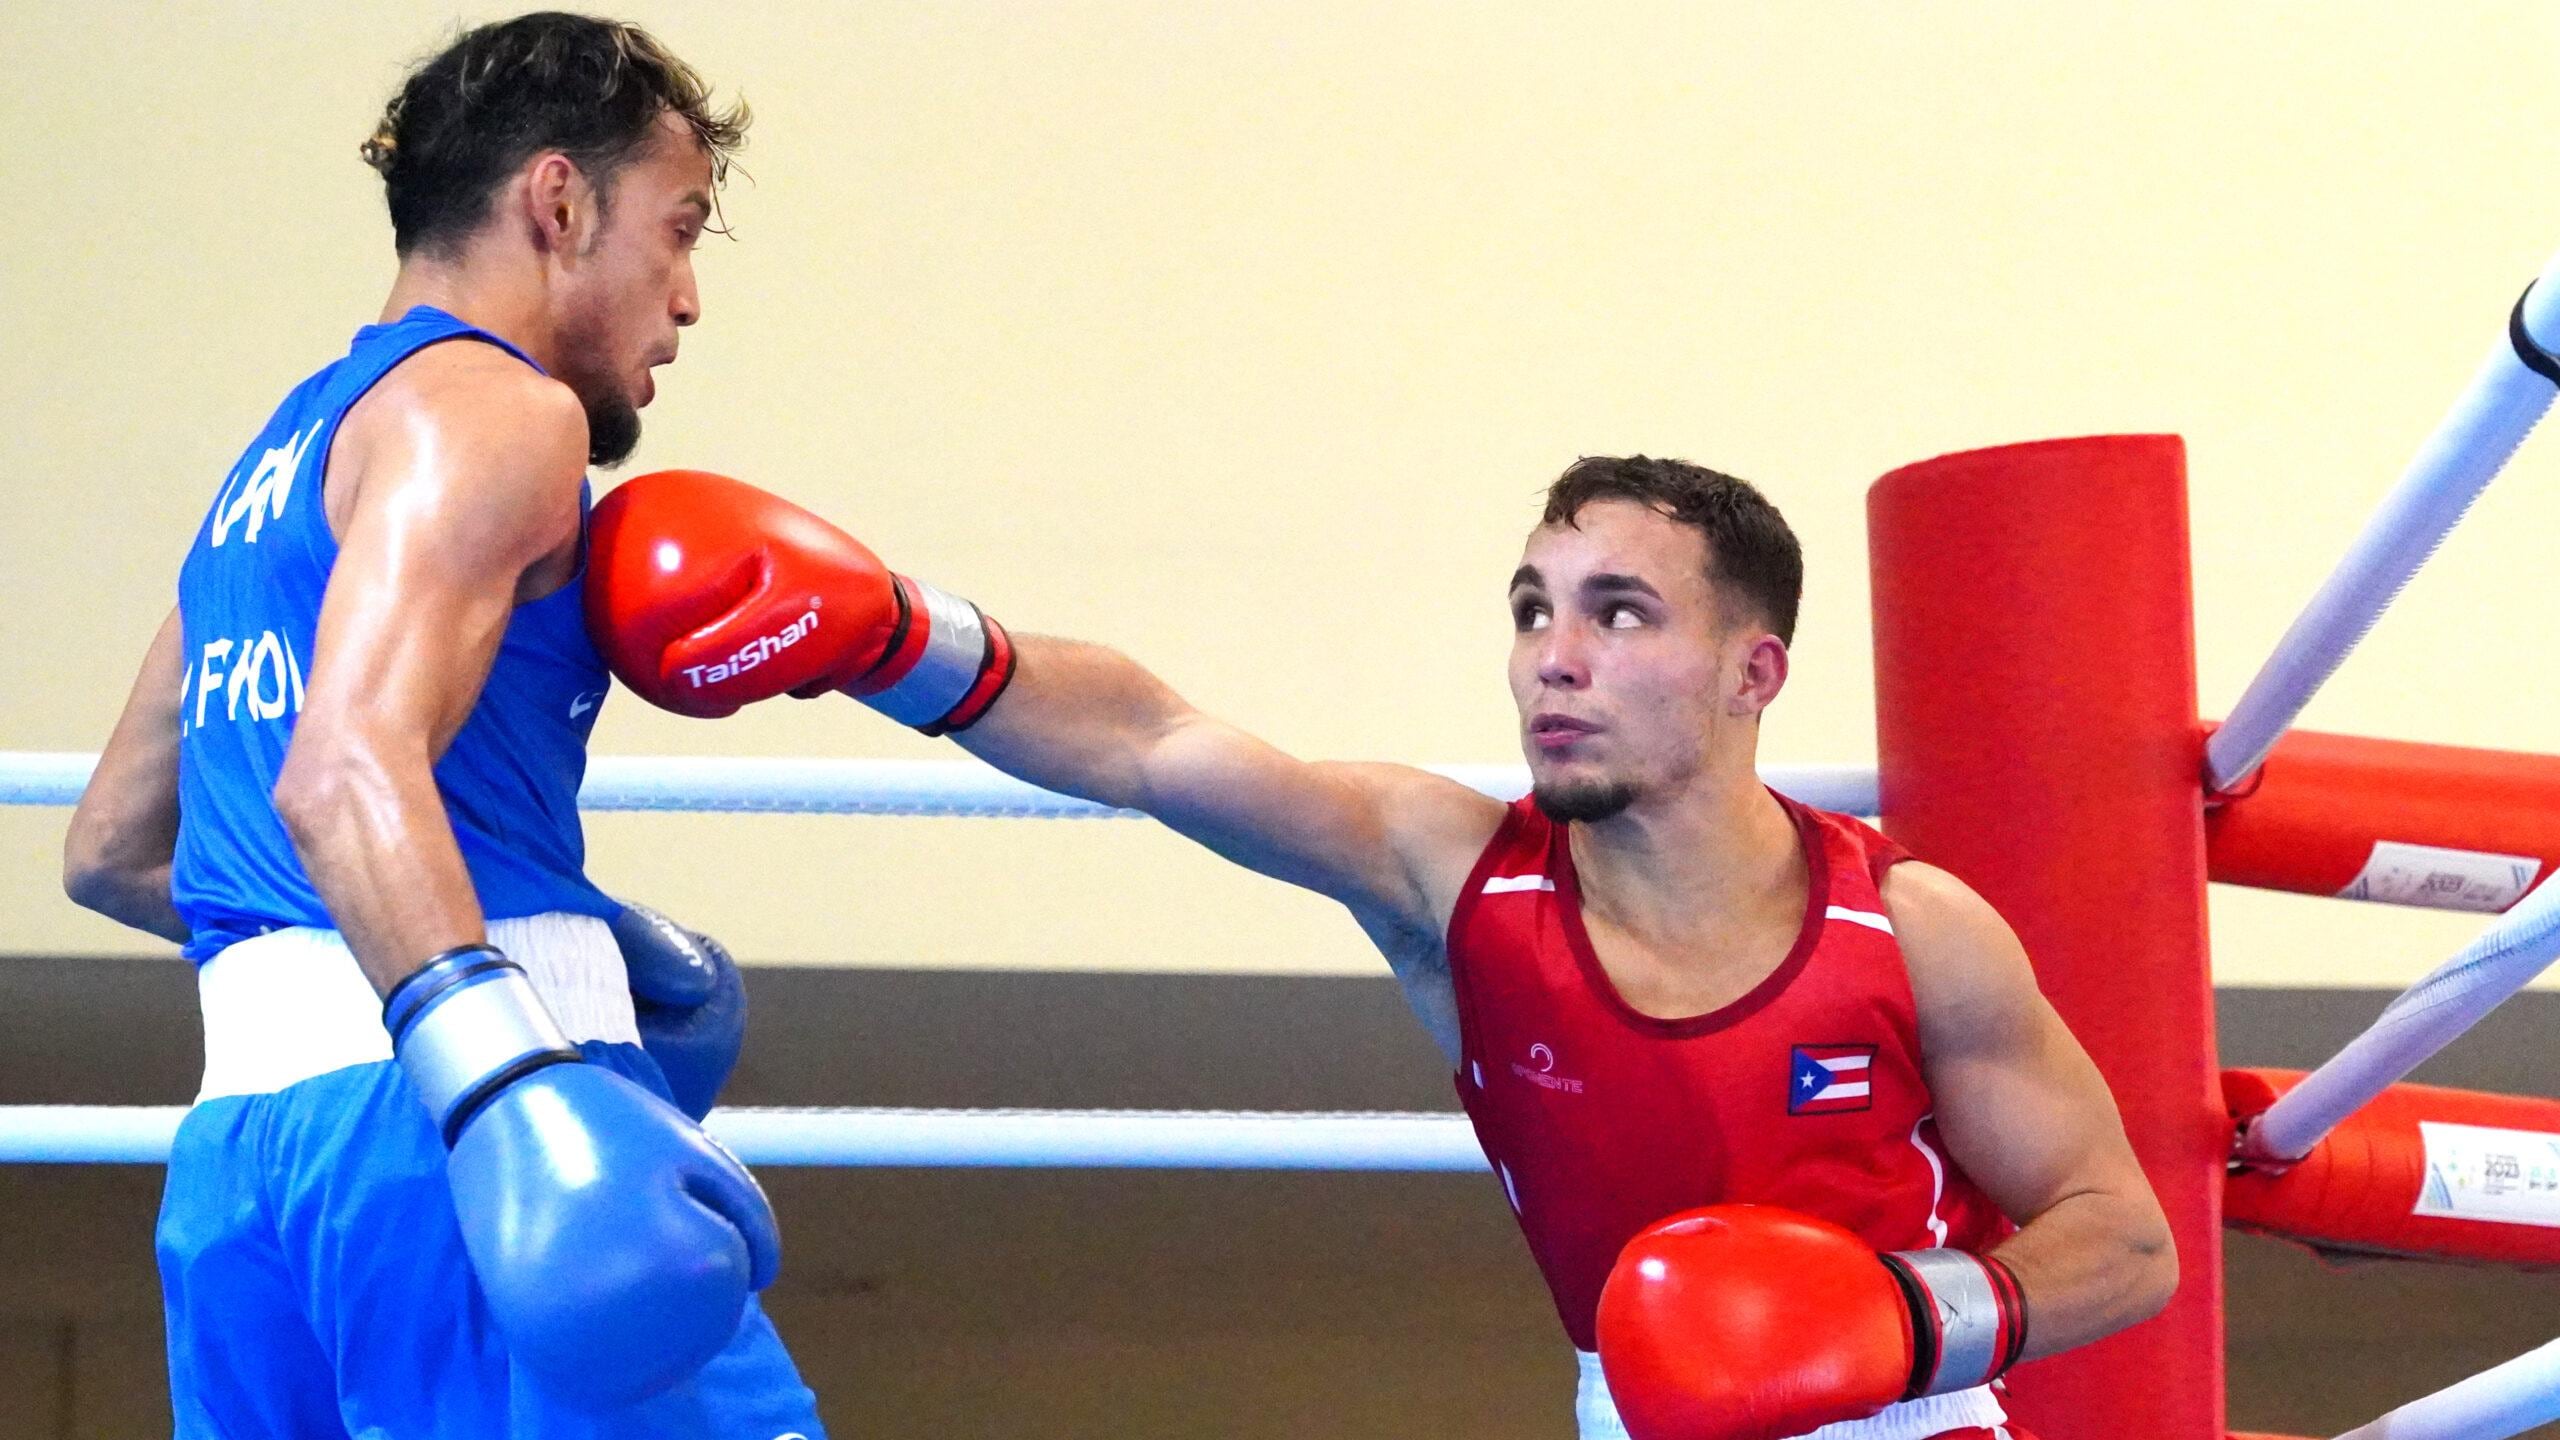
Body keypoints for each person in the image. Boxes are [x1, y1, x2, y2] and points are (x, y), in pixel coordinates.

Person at [588, 455, 2179, 1440]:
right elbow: (1154, 747)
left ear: (1754, 668)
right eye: (1532, 608)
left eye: (1621, 614)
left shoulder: (1906, 929)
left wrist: (1895, 1322)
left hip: (1906, 1428)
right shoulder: (1454, 881)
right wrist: (883, 631)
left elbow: (2126, 1239)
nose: (1552, 660)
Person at [60, 16, 823, 1437]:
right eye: (678, 230)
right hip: (449, 1130)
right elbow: (343, 772)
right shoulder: (496, 413)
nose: (689, 298)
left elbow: (107, 849)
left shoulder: (279, 463)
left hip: (242, 1170)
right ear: (558, 203)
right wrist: (513, 1059)